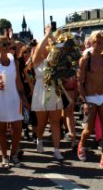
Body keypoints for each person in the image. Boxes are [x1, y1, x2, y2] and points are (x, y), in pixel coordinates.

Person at [0, 35, 29, 168]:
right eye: (4, 45)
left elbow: (18, 83)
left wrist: (24, 99)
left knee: (17, 128)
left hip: (14, 97)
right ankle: (4, 156)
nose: (8, 47)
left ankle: (13, 153)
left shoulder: (14, 61)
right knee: (1, 129)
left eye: (9, 45)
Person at [77, 31, 103, 170]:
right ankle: (82, 143)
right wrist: (84, 102)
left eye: (102, 42)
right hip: (90, 97)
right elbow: (80, 82)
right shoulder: (85, 59)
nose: (100, 45)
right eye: (98, 42)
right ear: (92, 42)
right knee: (89, 129)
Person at [30, 27, 64, 160]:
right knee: (42, 122)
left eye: (48, 45)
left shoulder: (54, 60)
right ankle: (39, 139)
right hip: (41, 91)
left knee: (55, 122)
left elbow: (59, 49)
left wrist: (54, 38)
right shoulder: (37, 60)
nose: (46, 47)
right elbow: (38, 50)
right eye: (44, 45)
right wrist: (47, 34)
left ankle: (57, 150)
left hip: (55, 90)